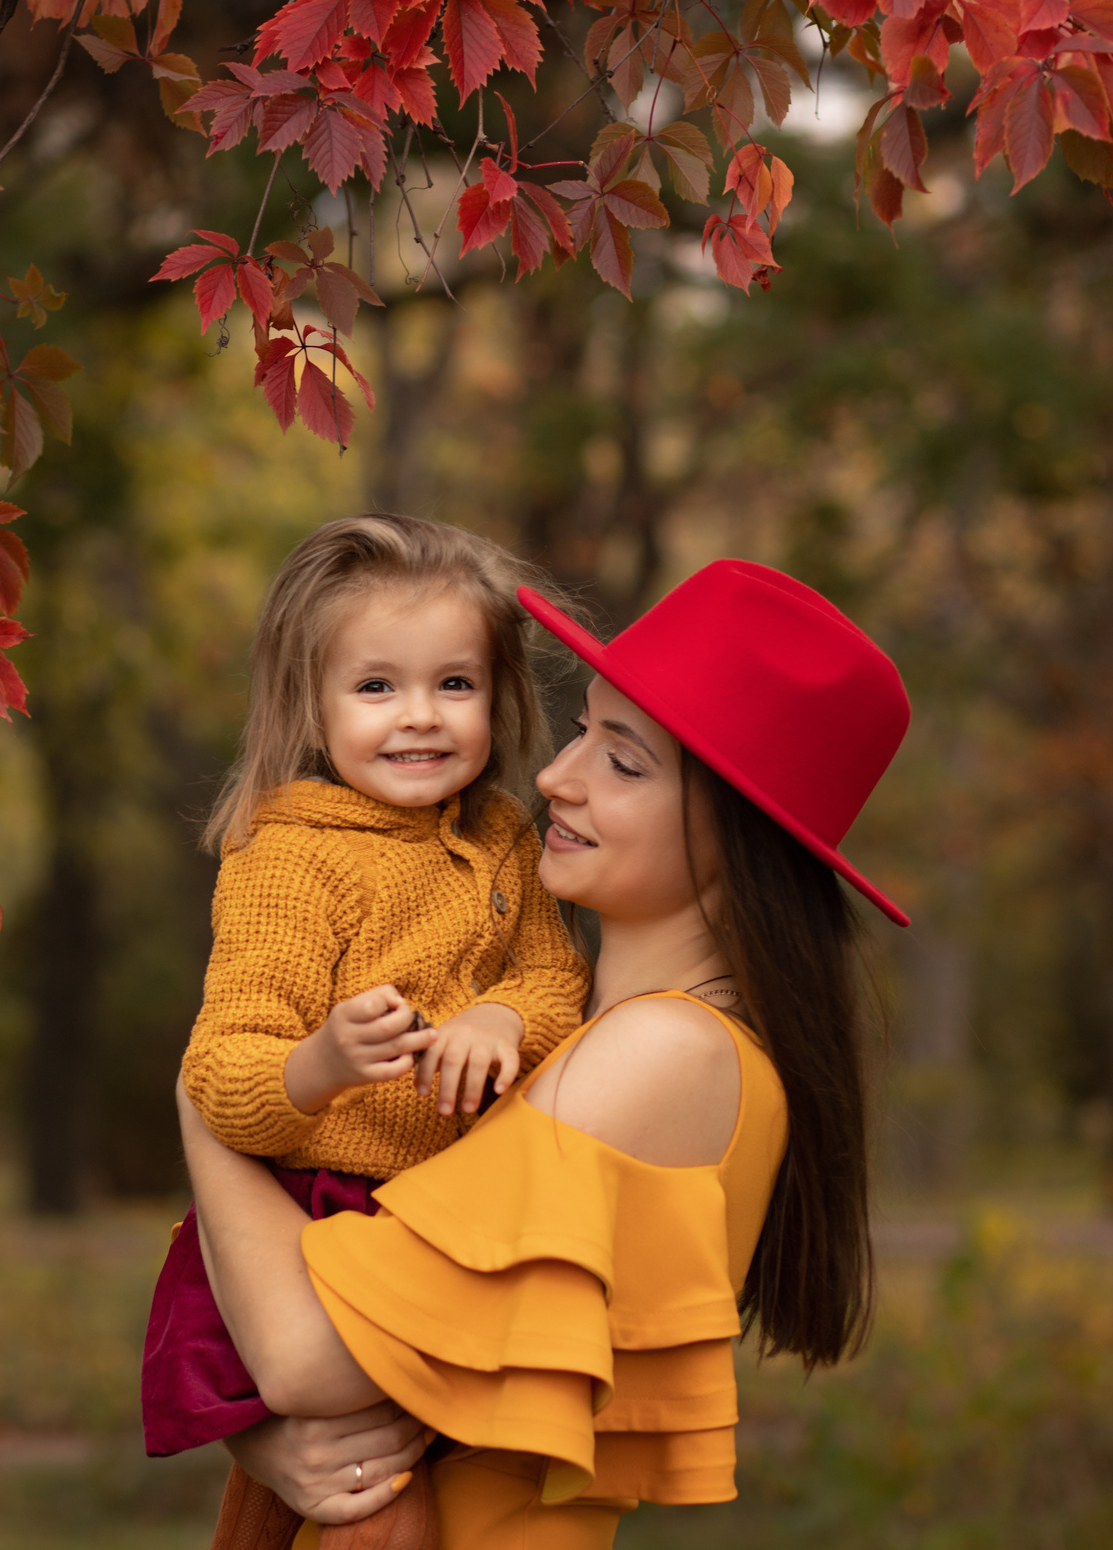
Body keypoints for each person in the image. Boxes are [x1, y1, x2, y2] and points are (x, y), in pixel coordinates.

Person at [181, 559, 912, 1548]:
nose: (556, 778)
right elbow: (407, 1379)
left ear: (739, 833)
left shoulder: (663, 1053)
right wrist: (267, 1445)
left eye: (623, 760)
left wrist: (202, 1099)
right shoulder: (588, 1028)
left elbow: (314, 1358)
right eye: (579, 733)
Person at [142, 517, 597, 1545]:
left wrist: (498, 1016)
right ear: (312, 701)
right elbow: (222, 1069)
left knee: (418, 1485)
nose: (419, 719)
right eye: (377, 687)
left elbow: (557, 982)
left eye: (454, 685)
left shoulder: (502, 839)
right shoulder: (287, 858)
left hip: (442, 1217)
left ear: (499, 696)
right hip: (311, 1220)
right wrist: (319, 1064)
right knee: (367, 1499)